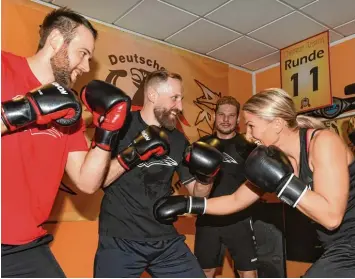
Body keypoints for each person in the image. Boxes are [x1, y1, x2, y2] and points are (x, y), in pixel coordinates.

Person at [154, 88, 355, 277]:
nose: (248, 135)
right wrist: (189, 204)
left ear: (276, 124)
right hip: (336, 246)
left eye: (251, 125)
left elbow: (331, 218)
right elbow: (235, 200)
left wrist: (283, 182)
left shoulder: (322, 142)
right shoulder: (274, 160)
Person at [1, 8, 131, 278]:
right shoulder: (3, 67)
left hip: (25, 246)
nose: (85, 67)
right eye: (83, 53)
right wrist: (24, 109)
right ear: (57, 40)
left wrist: (107, 131)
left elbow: (86, 182)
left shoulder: (69, 111)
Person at [82, 69, 223, 278]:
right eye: (174, 98)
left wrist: (206, 177)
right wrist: (133, 153)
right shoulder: (121, 126)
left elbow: (198, 195)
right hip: (121, 239)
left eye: (181, 99)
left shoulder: (178, 140)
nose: (180, 107)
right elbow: (99, 181)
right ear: (152, 95)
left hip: (165, 239)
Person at [194, 96, 258, 278]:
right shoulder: (202, 145)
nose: (225, 119)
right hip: (208, 218)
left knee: (248, 273)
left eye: (231, 115)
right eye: (221, 114)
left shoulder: (248, 146)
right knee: (205, 272)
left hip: (239, 218)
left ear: (238, 119)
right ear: (214, 116)